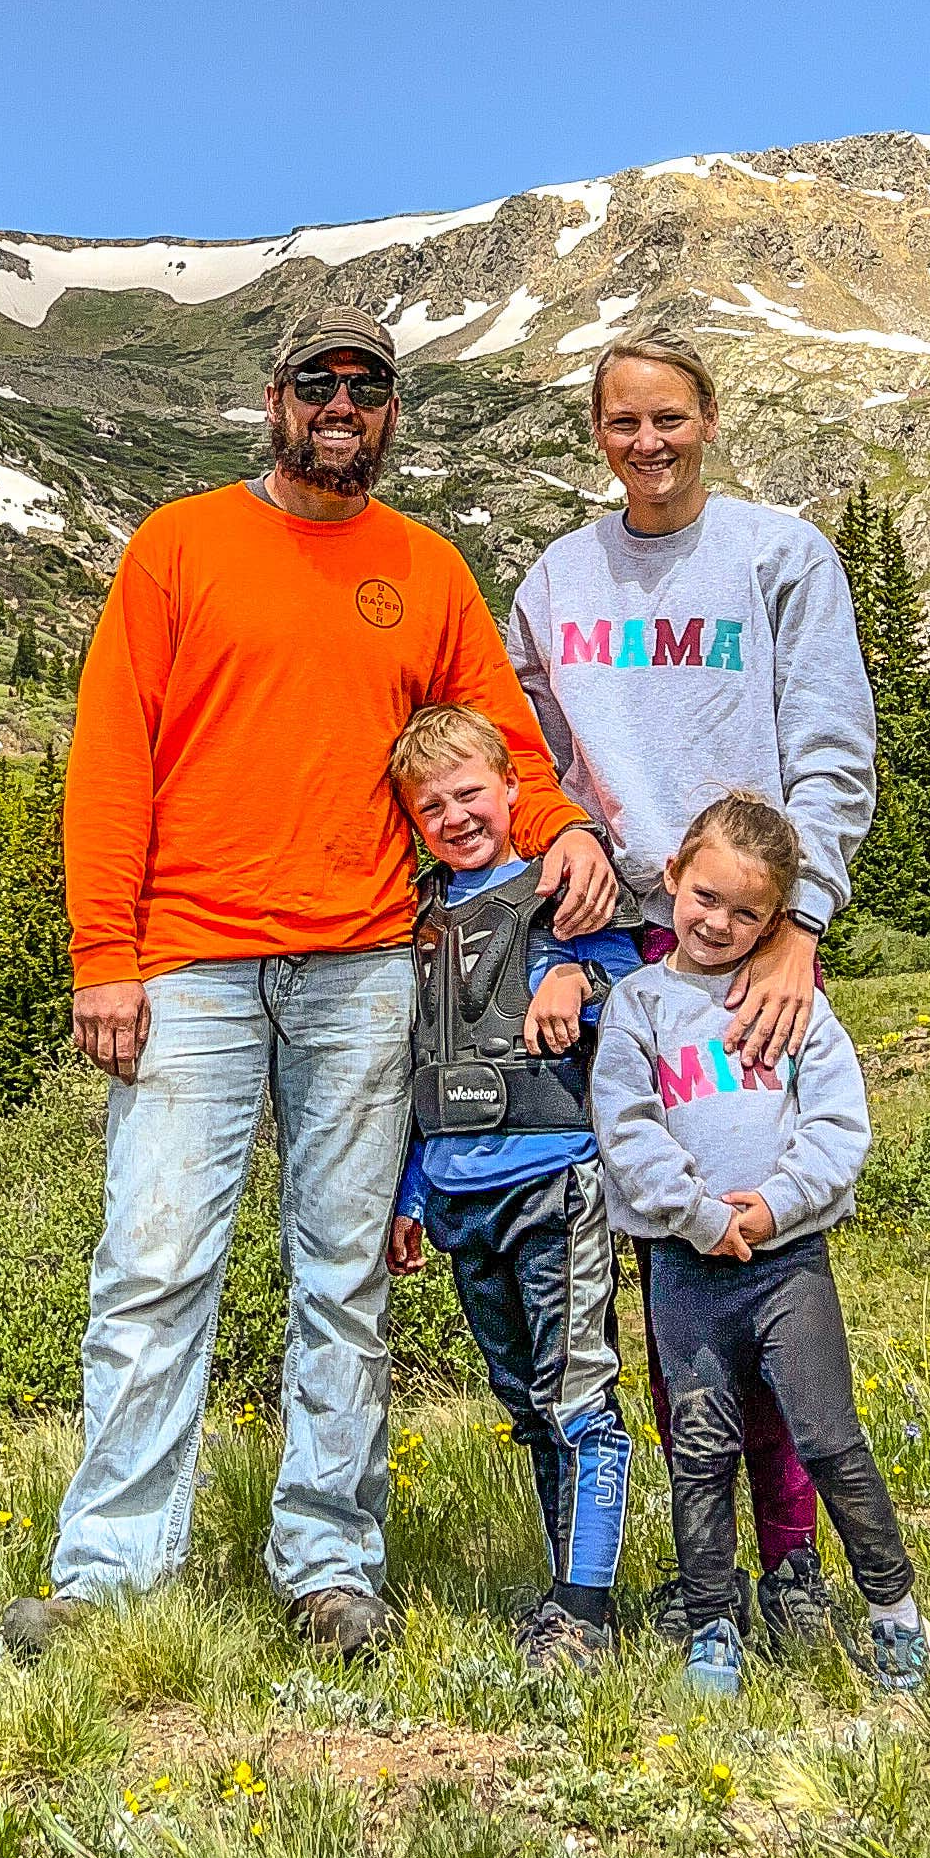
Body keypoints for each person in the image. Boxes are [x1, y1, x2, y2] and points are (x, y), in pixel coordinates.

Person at [6, 309, 613, 1661]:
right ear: (273, 401)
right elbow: (111, 754)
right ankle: (109, 1577)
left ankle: (331, 1566)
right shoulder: (179, 546)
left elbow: (500, 738)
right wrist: (102, 955)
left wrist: (559, 821)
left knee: (344, 1272)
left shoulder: (426, 567)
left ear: (393, 413)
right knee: (156, 1266)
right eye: (319, 385)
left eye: (370, 389)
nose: (345, 407)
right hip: (188, 966)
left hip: (360, 965)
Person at [507, 335, 877, 1641]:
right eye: (622, 421)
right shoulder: (558, 580)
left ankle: (795, 1570)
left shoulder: (780, 558)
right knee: (667, 1287)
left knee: (766, 1258)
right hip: (623, 960)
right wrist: (563, 843)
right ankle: (707, 1574)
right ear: (596, 432)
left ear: (709, 421)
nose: (647, 442)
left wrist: (800, 927)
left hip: (749, 948)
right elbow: (530, 754)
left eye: (669, 418)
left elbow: (832, 754)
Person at [592, 789, 930, 1701]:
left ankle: (894, 1610)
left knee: (827, 1437)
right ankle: (712, 1623)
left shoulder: (799, 1012)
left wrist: (771, 1211)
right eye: (705, 898)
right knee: (698, 1449)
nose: (719, 923)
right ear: (672, 878)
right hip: (685, 1267)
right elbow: (626, 1132)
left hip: (787, 1267)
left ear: (777, 919)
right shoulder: (638, 1007)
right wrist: (704, 1218)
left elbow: (836, 1131)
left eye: (748, 913)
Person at [381, 701, 640, 1671]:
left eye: (469, 794)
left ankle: (587, 1607)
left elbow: (635, 986)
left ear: (511, 790)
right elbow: (423, 1075)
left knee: (578, 1394)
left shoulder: (556, 895)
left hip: (554, 1182)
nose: (453, 816)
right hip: (457, 1196)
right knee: (525, 1400)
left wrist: (576, 977)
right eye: (430, 803)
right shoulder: (420, 920)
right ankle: (567, 1590)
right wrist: (410, 1199)